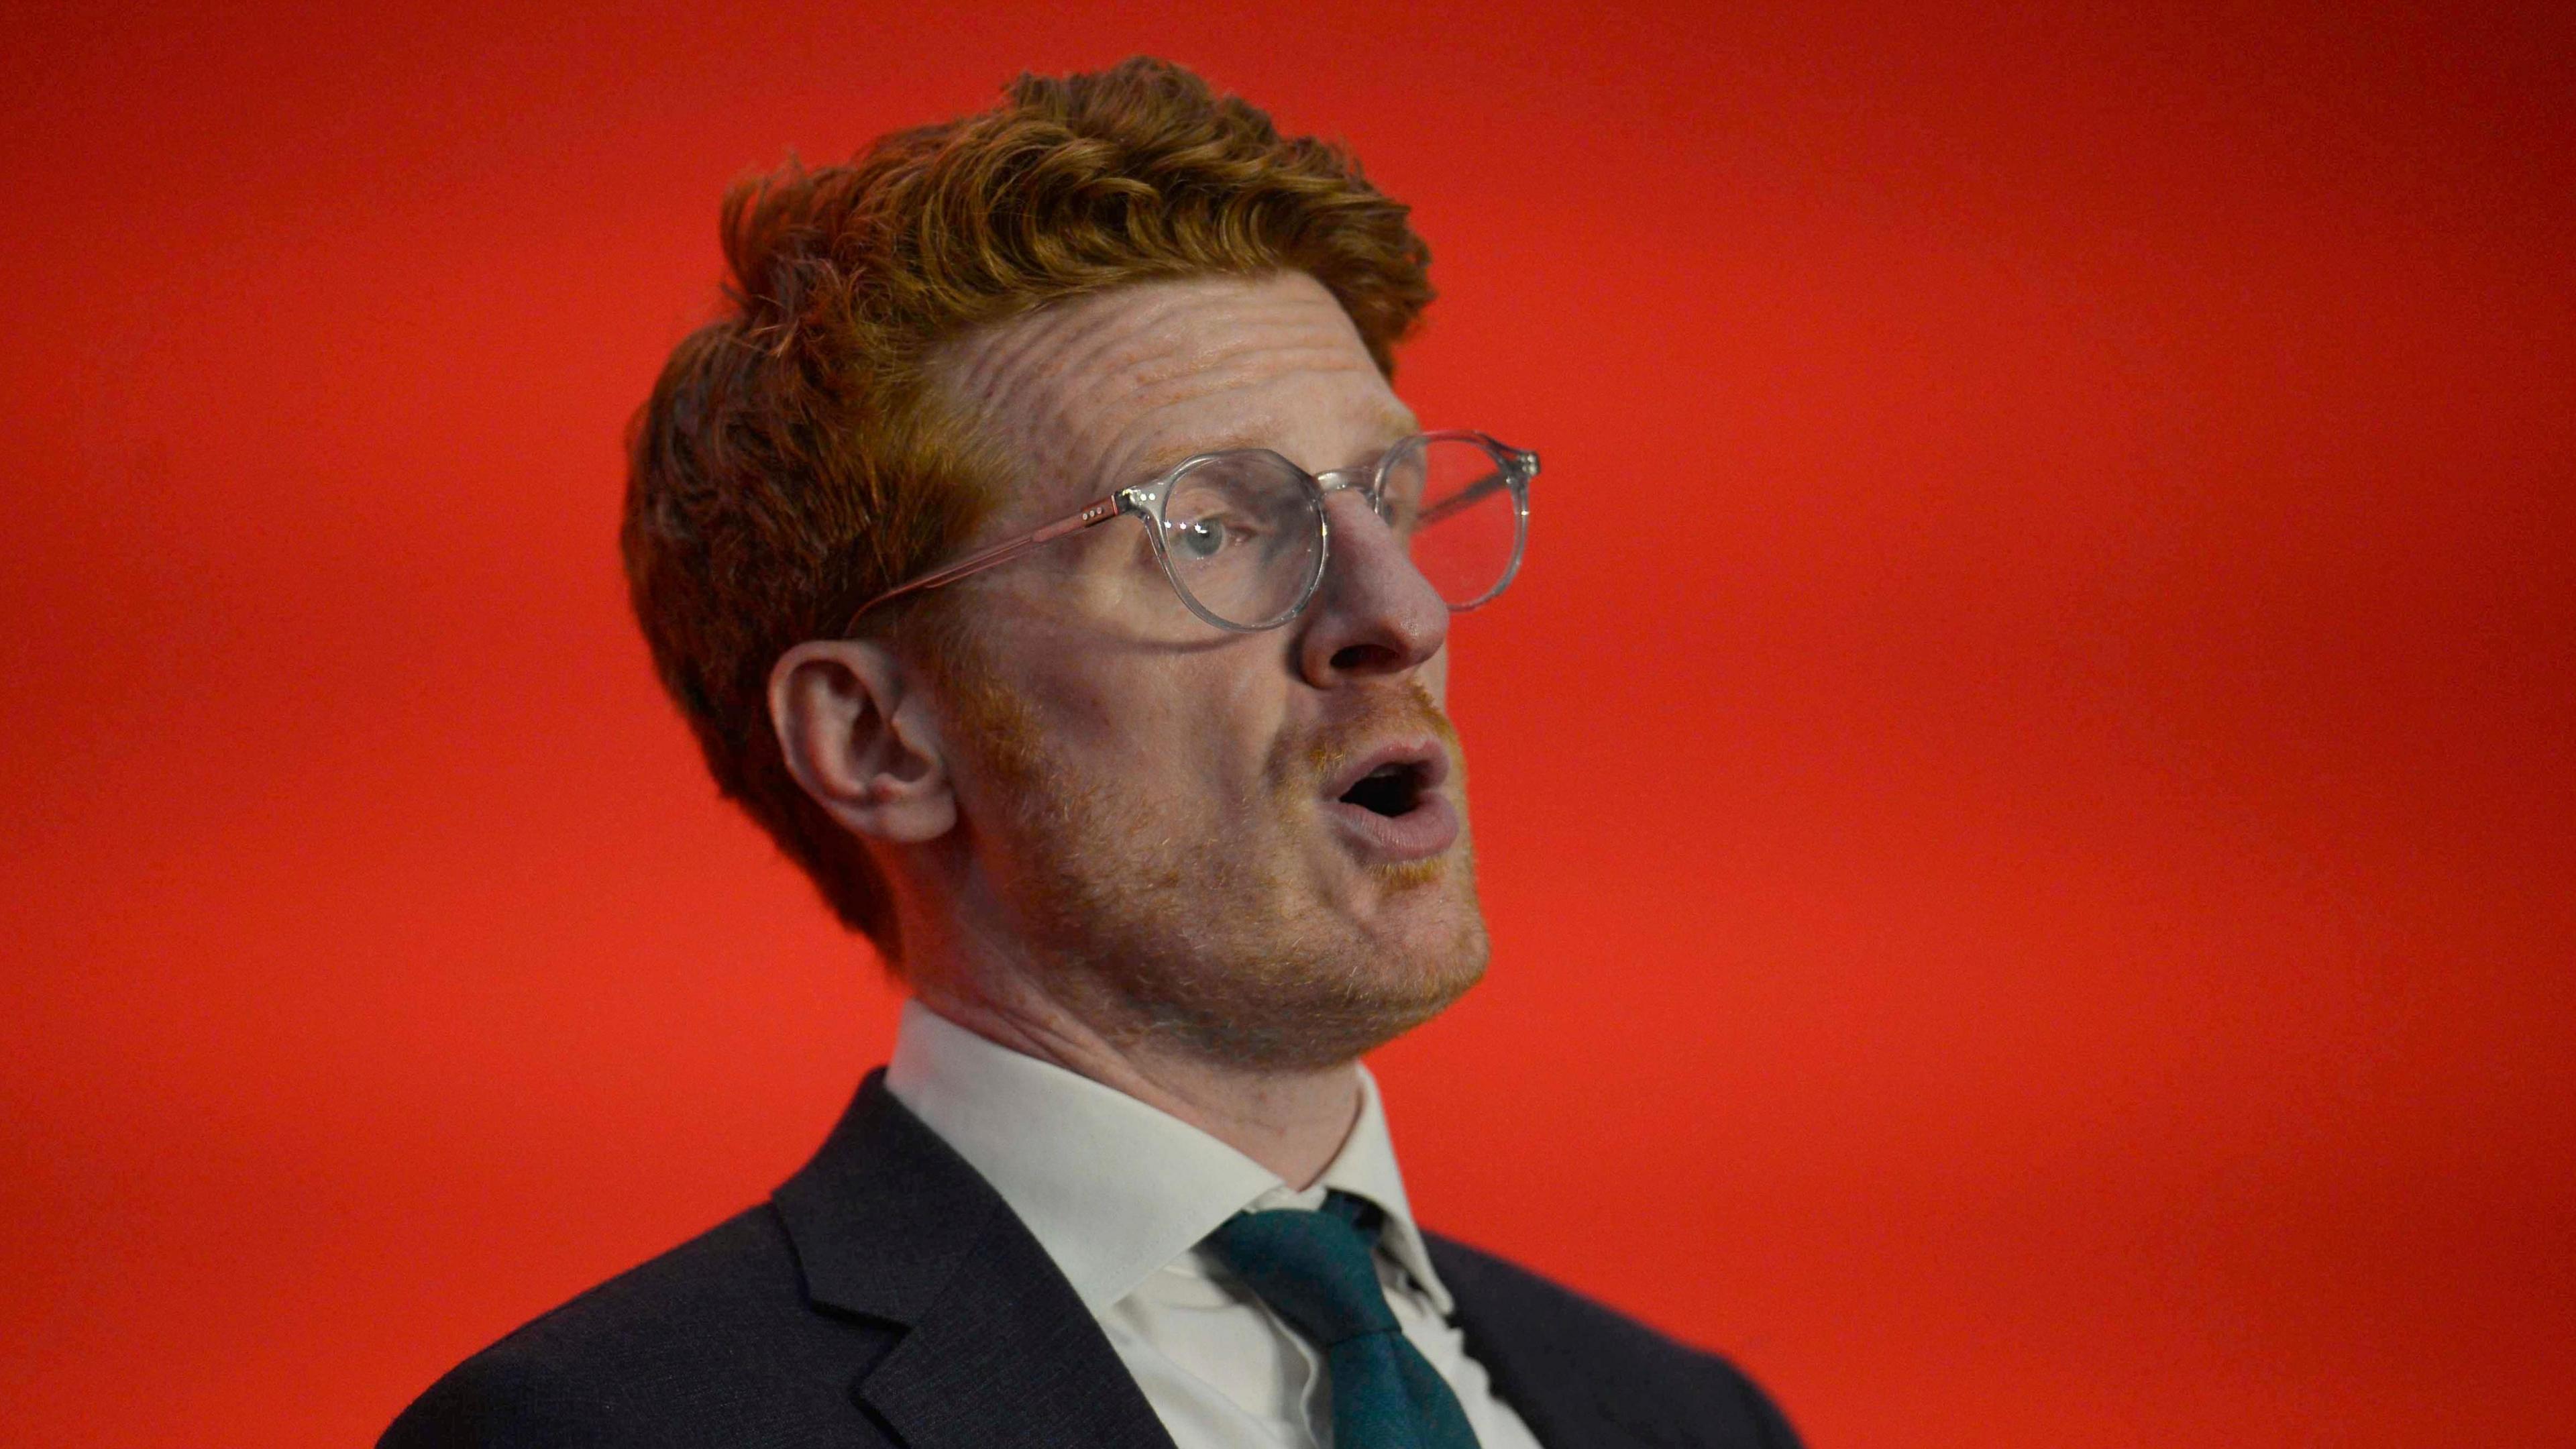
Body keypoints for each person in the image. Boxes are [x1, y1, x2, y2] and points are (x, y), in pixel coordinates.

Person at [382, 57, 1800, 1449]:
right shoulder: (600, 1432)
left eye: (1389, 498)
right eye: (1213, 529)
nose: (1403, 615)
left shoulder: (1697, 1420)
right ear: (882, 739)